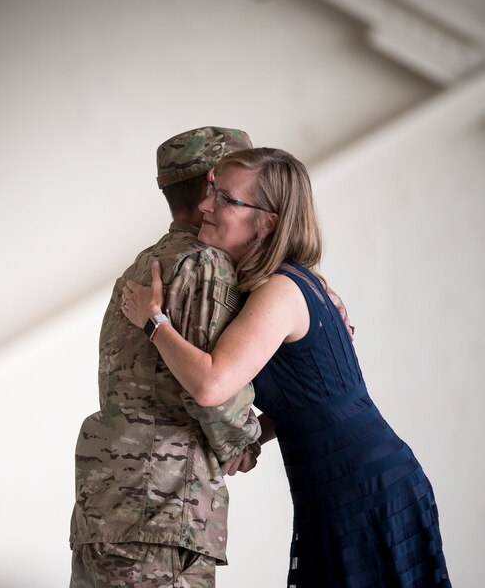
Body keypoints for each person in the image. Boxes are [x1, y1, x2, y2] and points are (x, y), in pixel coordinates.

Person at [122, 147, 451, 587]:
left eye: (225, 198)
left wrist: (154, 321)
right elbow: (306, 401)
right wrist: (250, 437)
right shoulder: (290, 283)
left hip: (362, 488)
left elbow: (210, 385)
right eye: (212, 192)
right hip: (340, 487)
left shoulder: (280, 291)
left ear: (267, 222)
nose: (206, 204)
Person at [70, 126, 264, 588]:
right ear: (216, 181)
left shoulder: (142, 263)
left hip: (106, 503)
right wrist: (243, 442)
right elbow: (209, 385)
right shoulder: (204, 264)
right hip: (162, 507)